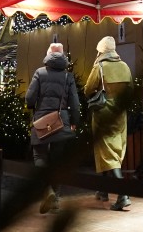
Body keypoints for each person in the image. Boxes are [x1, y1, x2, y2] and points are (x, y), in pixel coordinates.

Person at [25, 42, 82, 215]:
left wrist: (31, 105)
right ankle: (55, 199)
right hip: (61, 120)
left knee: (39, 155)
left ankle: (47, 188)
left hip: (42, 119)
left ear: (48, 54)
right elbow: (75, 102)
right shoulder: (68, 76)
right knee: (58, 160)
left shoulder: (40, 73)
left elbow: (30, 98)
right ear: (63, 55)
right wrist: (75, 121)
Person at [84, 35, 134, 211]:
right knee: (113, 150)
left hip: (104, 113)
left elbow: (88, 89)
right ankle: (103, 190)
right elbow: (131, 90)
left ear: (101, 50)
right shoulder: (125, 66)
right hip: (120, 114)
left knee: (107, 152)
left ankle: (123, 195)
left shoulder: (100, 66)